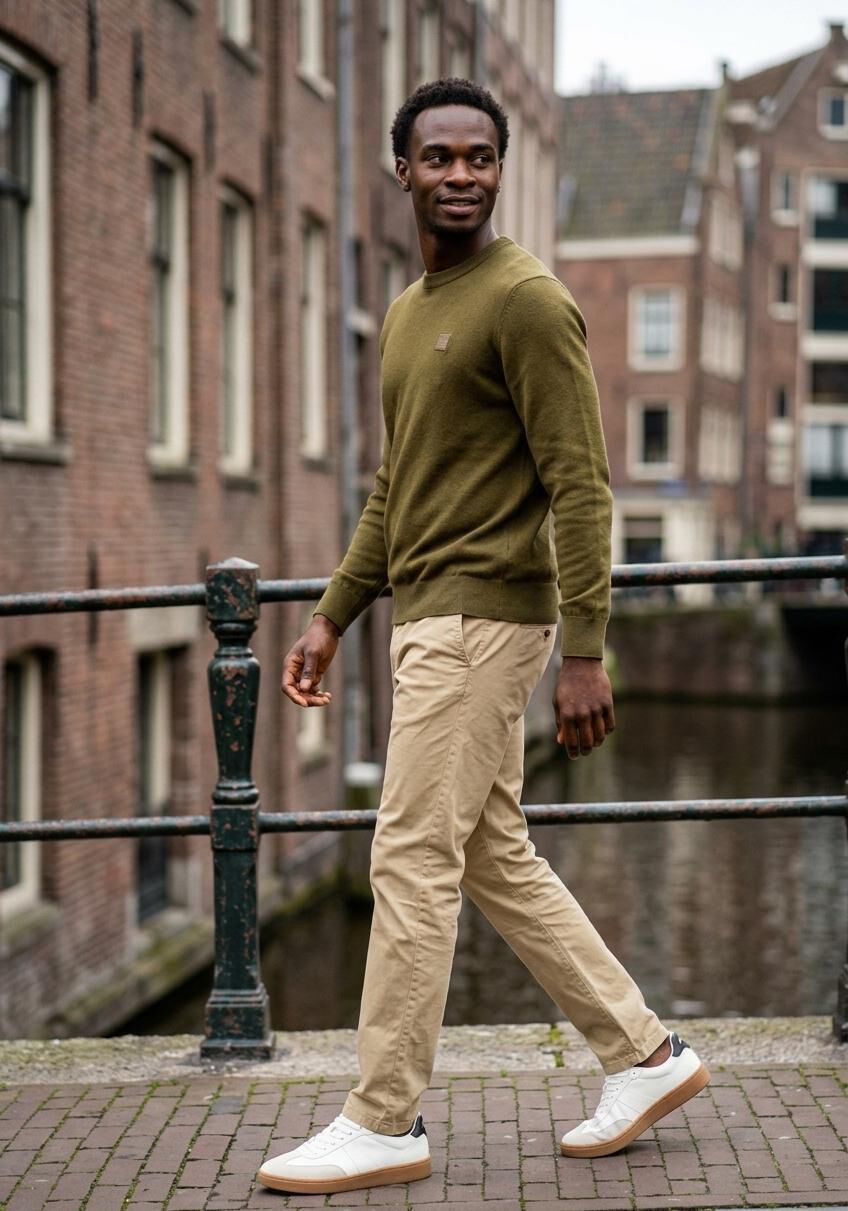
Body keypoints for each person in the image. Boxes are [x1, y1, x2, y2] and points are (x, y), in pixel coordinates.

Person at [257, 78, 709, 1197]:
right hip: (428, 615)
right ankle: (644, 1054)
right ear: (402, 170)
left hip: (482, 618)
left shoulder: (527, 300)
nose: (460, 174)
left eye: (479, 157)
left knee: (409, 856)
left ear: (498, 170)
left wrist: (586, 649)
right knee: (490, 854)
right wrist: (331, 614)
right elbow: (395, 487)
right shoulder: (410, 314)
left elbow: (581, 484)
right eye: (439, 156)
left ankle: (383, 1117)